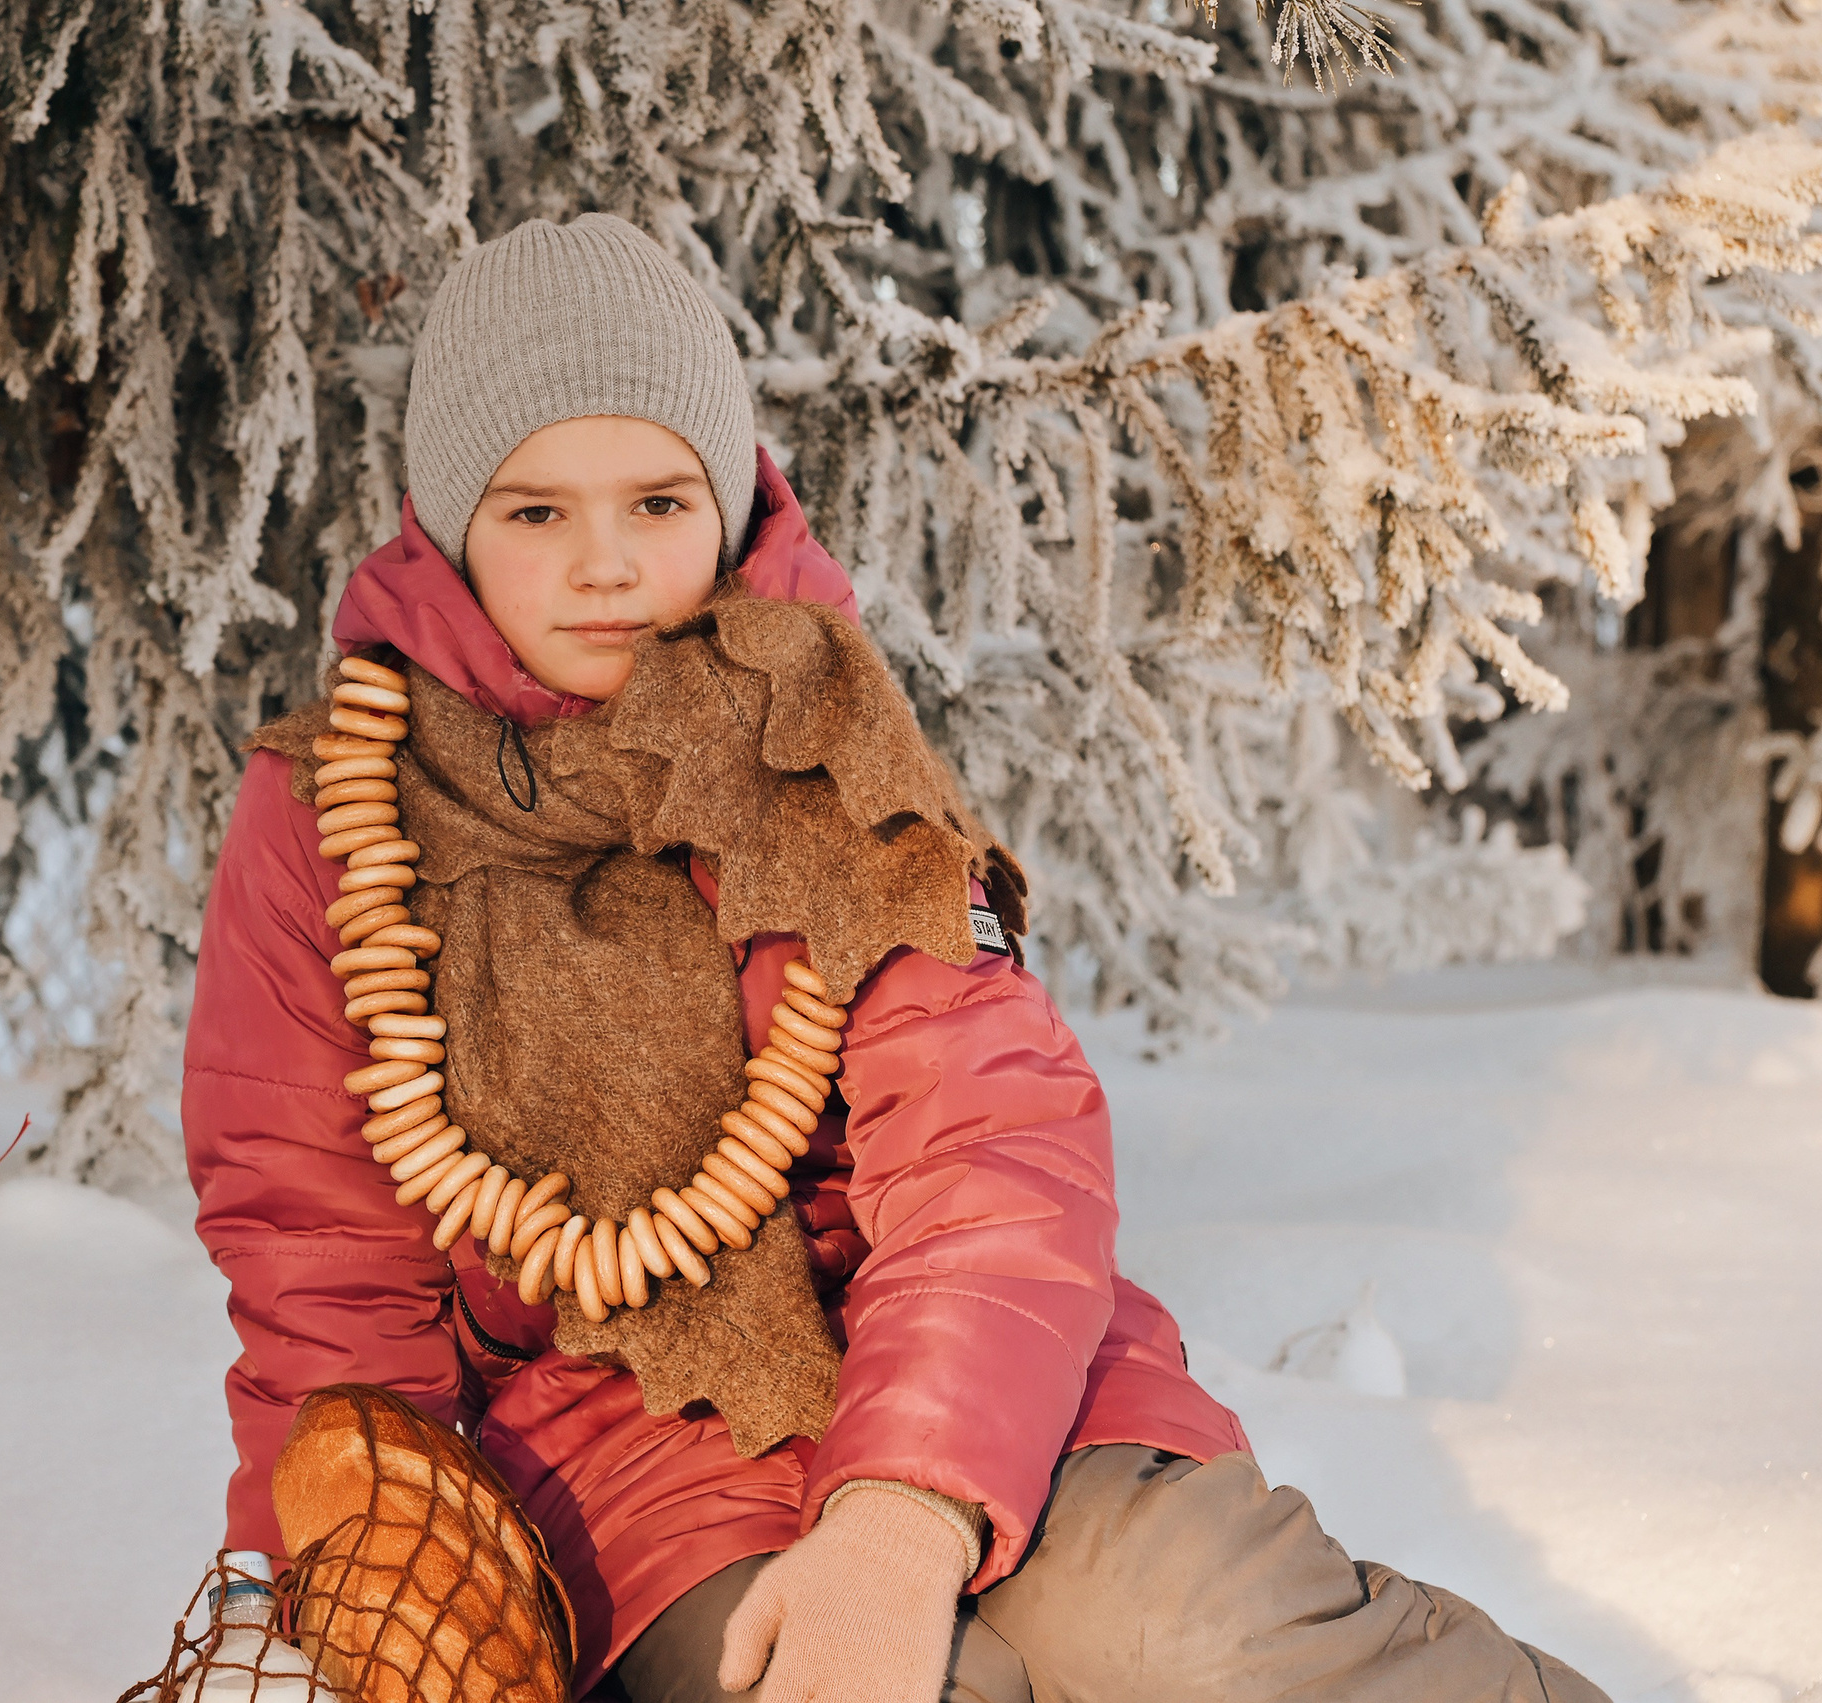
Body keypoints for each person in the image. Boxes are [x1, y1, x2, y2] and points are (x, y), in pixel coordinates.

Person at [182, 213, 1608, 1703]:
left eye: (657, 501)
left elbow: (989, 1139)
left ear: (727, 501)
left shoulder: (829, 742)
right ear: (448, 526)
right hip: (625, 1461)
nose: (604, 565)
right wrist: (332, 1579)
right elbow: (317, 1251)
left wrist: (904, 1512)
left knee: (1197, 1632)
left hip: (971, 1364)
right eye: (536, 511)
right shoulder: (338, 810)